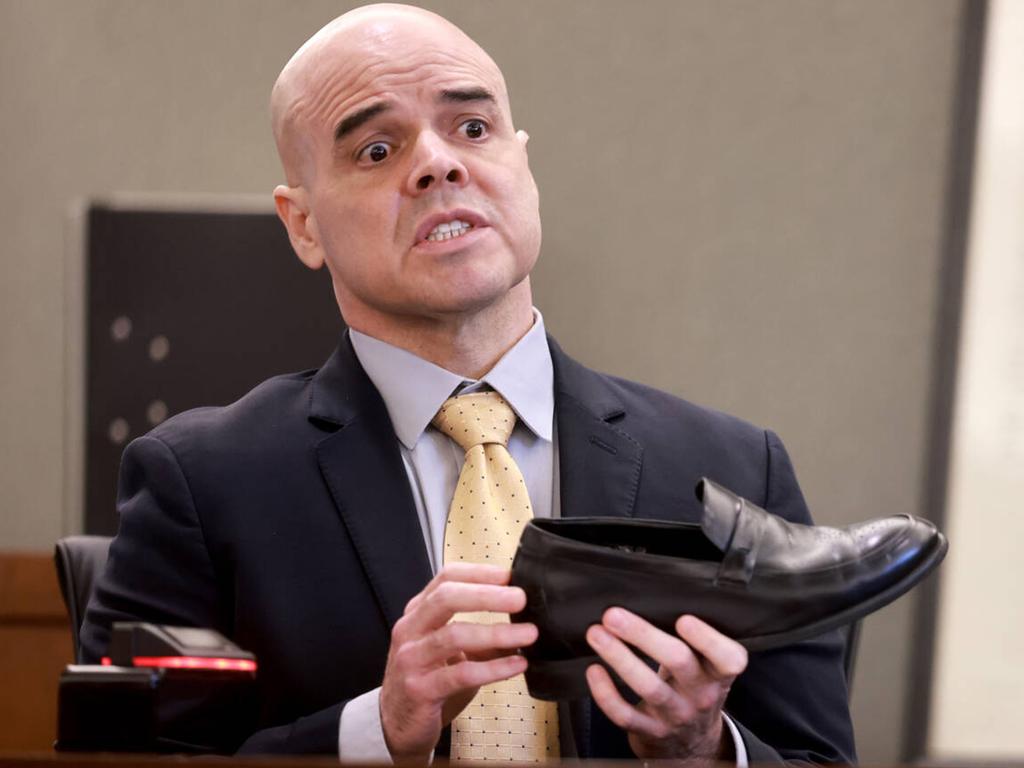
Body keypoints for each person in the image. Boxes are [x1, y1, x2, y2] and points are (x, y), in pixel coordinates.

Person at [82, 4, 856, 765]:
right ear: (303, 224)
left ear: (524, 164)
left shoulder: (730, 470)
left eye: (473, 129)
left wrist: (703, 752)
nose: (438, 163)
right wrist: (375, 732)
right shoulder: (200, 483)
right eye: (378, 149)